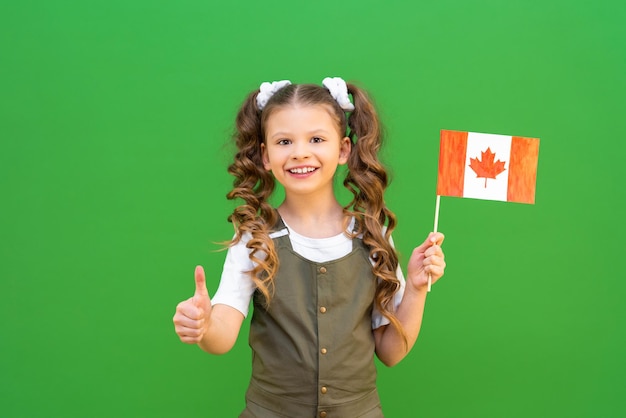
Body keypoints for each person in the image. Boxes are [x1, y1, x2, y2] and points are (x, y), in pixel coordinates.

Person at [173, 77, 446, 417]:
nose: (300, 152)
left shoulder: (373, 238)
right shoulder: (254, 239)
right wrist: (203, 325)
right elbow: (222, 335)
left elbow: (391, 352)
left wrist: (417, 289)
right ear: (265, 155)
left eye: (316, 139)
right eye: (284, 141)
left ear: (344, 149)